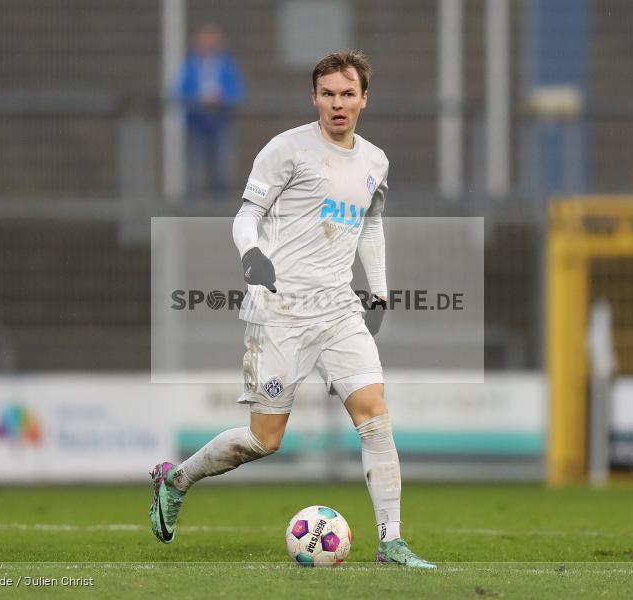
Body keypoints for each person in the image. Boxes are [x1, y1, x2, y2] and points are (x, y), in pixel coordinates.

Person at [150, 50, 435, 569]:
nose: (338, 103)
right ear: (314, 98)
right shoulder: (286, 150)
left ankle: (391, 542)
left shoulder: (375, 161)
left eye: (348, 94)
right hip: (280, 309)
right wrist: (252, 254)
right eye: (328, 93)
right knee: (265, 440)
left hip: (338, 309)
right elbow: (246, 215)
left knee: (374, 417)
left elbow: (370, 226)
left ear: (364, 98)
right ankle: (177, 479)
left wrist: (379, 291)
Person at [174, 23, 244, 203]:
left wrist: (222, 99)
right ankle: (193, 208)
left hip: (220, 122)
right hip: (196, 123)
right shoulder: (190, 65)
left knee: (221, 168)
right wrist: (197, 99)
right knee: (194, 169)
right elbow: (178, 92)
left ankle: (220, 207)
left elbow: (236, 92)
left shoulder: (226, 65)